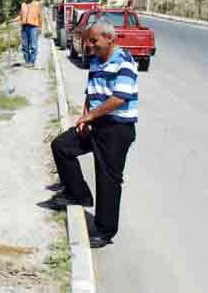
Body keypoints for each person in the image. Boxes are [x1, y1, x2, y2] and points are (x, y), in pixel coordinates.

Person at [44, 19, 138, 248]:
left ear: (110, 38)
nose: (90, 46)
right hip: (96, 122)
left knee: (108, 179)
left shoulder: (125, 62)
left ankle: (105, 231)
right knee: (62, 146)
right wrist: (85, 115)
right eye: (88, 41)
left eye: (94, 41)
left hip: (116, 129)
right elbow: (91, 91)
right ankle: (79, 194)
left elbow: (119, 98)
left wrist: (92, 116)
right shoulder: (96, 61)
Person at [20, 0, 42, 67]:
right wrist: (10, 21)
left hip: (33, 27)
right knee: (24, 46)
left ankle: (32, 62)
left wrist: (40, 28)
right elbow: (21, 16)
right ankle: (27, 61)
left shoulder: (37, 4)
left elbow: (40, 17)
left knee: (33, 45)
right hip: (24, 27)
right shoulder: (23, 4)